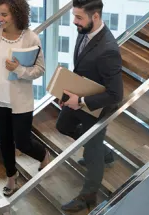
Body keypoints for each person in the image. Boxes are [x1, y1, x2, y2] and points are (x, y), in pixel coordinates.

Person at [0, 0, 52, 197]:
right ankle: (11, 175)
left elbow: (40, 70)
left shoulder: (31, 38)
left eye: (4, 15)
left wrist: (18, 69)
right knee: (4, 141)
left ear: (17, 14)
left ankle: (44, 154)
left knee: (22, 142)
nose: (0, 19)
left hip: (21, 102)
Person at [56, 0, 123, 212]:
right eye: (74, 16)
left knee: (92, 154)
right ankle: (106, 153)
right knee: (63, 126)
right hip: (79, 96)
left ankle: (88, 198)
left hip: (97, 106)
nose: (74, 22)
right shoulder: (84, 30)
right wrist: (66, 92)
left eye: (78, 17)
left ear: (95, 17)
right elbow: (82, 69)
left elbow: (116, 94)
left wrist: (82, 102)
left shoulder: (108, 50)